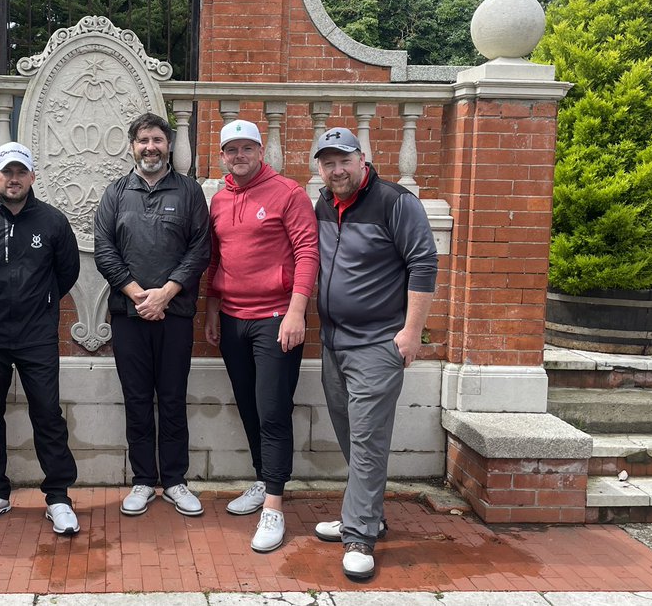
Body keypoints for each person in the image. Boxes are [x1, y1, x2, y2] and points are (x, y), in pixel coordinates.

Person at [311, 127, 438, 580]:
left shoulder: (395, 202)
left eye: (343, 160)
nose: (336, 169)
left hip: (378, 343)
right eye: (327, 163)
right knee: (350, 432)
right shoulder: (323, 203)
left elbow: (424, 263)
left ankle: (360, 534)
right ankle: (367, 513)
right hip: (333, 342)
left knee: (367, 439)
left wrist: (411, 332)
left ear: (361, 158)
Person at [0, 142, 82, 535]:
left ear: (32, 177)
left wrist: (40, 302)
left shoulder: (53, 222)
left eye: (21, 172)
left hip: (36, 335)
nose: (13, 179)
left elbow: (67, 273)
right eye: (6, 171)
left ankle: (58, 496)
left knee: (47, 414)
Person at [203, 119, 318, 553]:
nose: (239, 156)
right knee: (249, 406)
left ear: (260, 150)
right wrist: (213, 309)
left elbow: (309, 252)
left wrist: (296, 311)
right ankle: (261, 478)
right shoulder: (218, 199)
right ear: (223, 157)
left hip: (276, 319)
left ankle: (274, 504)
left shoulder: (288, 193)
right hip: (233, 319)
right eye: (231, 150)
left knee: (272, 410)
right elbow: (215, 260)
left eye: (246, 148)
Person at [94, 112, 211, 517]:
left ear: (169, 146)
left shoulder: (190, 192)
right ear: (132, 146)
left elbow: (200, 249)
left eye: (158, 140)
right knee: (138, 399)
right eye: (143, 140)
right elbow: (104, 249)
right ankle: (143, 480)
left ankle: (175, 480)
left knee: (174, 398)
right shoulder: (115, 193)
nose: (150, 147)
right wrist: (136, 293)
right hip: (128, 315)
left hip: (175, 314)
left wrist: (165, 293)